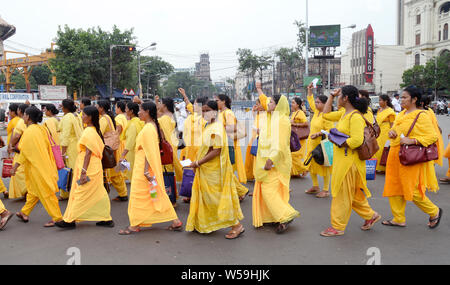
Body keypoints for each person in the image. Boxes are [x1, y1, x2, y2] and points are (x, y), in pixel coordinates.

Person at [320, 86, 381, 237]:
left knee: (342, 195)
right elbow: (325, 114)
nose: (338, 98)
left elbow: (356, 141)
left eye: (339, 95)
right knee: (353, 195)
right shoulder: (343, 113)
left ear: (346, 98)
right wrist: (331, 97)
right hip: (344, 161)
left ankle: (338, 226)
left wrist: (336, 139)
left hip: (349, 163)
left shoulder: (355, 117)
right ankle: (371, 216)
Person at [119, 102, 183, 235]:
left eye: (141, 110)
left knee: (139, 194)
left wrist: (146, 170)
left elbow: (148, 151)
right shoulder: (152, 125)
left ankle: (135, 225)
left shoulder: (149, 128)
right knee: (155, 194)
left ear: (147, 112)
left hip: (144, 167)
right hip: (145, 166)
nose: (138, 113)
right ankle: (175, 221)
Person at [382, 86, 442, 229]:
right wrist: (392, 133)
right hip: (395, 154)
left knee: (411, 189)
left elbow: (433, 136)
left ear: (414, 99)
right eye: (401, 97)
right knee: (393, 186)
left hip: (410, 156)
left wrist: (413, 140)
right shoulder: (402, 114)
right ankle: (398, 218)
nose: (401, 100)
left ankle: (434, 211)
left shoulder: (422, 115)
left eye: (404, 97)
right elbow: (397, 130)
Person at [185, 100, 244, 239]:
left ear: (215, 112)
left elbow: (216, 151)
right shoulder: (208, 125)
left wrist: (198, 162)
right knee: (204, 198)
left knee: (216, 199)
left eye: (207, 110)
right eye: (203, 110)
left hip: (214, 171)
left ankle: (237, 226)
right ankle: (203, 223)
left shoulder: (216, 127)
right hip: (206, 169)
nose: (204, 113)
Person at [56, 106, 114, 229]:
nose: (82, 117)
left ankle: (69, 220)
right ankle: (105, 218)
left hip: (88, 167)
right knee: (98, 192)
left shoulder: (89, 131)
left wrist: (83, 171)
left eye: (84, 115)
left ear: (90, 117)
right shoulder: (93, 131)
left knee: (81, 192)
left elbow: (88, 153)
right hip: (93, 166)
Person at [252, 95, 300, 234]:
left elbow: (280, 144)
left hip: (276, 162)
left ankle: (286, 216)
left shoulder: (282, 120)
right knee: (272, 190)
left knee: (269, 191)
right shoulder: (272, 117)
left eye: (271, 102)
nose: (268, 103)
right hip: (267, 160)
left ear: (279, 104)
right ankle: (275, 217)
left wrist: (270, 160)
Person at [12, 106, 63, 227]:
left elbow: (24, 153)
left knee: (46, 193)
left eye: (24, 115)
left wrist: (15, 167)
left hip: (38, 168)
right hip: (43, 165)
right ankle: (24, 212)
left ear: (28, 117)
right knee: (34, 192)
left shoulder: (29, 132)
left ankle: (58, 218)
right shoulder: (41, 129)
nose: (23, 117)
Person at [216, 94, 249, 201]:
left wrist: (218, 128)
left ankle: (241, 191)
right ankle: (238, 191)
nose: (216, 102)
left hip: (229, 145)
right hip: (223, 144)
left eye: (217, 100)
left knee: (227, 171)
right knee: (225, 171)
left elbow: (232, 128)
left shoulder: (228, 113)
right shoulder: (221, 113)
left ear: (223, 101)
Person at [305, 83, 334, 198]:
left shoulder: (327, 115)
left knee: (324, 166)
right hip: (313, 144)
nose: (316, 104)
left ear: (325, 104)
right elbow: (310, 101)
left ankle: (326, 190)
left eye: (318, 102)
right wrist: (309, 90)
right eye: (316, 102)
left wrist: (318, 133)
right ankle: (315, 186)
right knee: (312, 164)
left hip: (322, 145)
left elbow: (330, 131)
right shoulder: (317, 112)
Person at [97, 100, 129, 201]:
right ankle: (122, 193)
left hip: (109, 148)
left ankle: (123, 194)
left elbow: (99, 133)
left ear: (101, 108)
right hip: (115, 146)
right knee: (115, 171)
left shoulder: (105, 118)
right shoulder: (110, 117)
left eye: (97, 106)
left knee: (114, 172)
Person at [156, 96, 184, 186]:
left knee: (167, 172)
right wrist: (157, 102)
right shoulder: (171, 115)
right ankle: (173, 193)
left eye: (160, 103)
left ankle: (170, 194)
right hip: (173, 144)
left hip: (167, 147)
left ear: (164, 105)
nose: (159, 105)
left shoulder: (164, 119)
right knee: (169, 171)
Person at [59, 99, 83, 201]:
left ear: (64, 107)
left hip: (70, 146)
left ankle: (72, 192)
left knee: (69, 169)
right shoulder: (76, 115)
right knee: (73, 169)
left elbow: (66, 135)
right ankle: (67, 192)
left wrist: (63, 152)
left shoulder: (67, 118)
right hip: (77, 145)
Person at [7, 104, 29, 200]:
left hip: (20, 149)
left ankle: (28, 191)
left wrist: (11, 145)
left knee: (18, 171)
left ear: (20, 111)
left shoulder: (20, 121)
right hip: (26, 149)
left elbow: (16, 136)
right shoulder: (26, 121)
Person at [119, 102, 143, 182]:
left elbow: (130, 142)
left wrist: (123, 155)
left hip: (132, 153)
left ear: (131, 111)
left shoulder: (133, 125)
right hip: (136, 152)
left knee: (133, 174)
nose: (125, 110)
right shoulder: (138, 122)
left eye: (126, 109)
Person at [1, 103, 20, 198]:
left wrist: (10, 146)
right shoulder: (17, 120)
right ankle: (5, 190)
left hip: (13, 147)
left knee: (15, 168)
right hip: (15, 147)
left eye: (10, 111)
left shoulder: (15, 121)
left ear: (13, 112)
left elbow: (15, 134)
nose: (9, 113)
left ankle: (17, 189)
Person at [373, 95, 396, 173]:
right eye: (379, 100)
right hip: (379, 132)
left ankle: (384, 168)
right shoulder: (379, 110)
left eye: (380, 100)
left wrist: (391, 132)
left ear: (386, 101)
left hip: (386, 132)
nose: (379, 102)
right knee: (377, 149)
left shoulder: (390, 112)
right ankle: (377, 167)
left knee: (384, 150)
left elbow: (392, 124)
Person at [244, 99, 265, 181]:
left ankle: (257, 177)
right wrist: (253, 111)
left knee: (256, 158)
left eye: (257, 104)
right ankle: (250, 175)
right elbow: (255, 121)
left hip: (259, 138)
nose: (256, 106)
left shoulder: (267, 114)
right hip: (254, 138)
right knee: (250, 156)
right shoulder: (259, 114)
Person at [290, 97, 309, 178]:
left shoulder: (300, 112)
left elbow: (306, 124)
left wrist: (295, 124)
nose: (292, 104)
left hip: (299, 138)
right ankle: (295, 172)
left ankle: (304, 169)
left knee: (294, 155)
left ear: (297, 105)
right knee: (292, 155)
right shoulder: (294, 113)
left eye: (293, 103)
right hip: (295, 138)